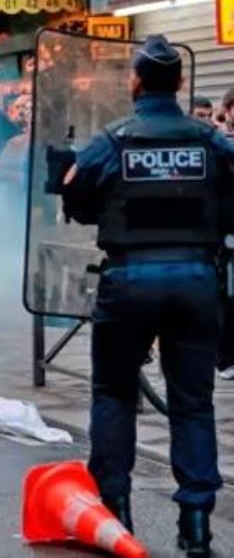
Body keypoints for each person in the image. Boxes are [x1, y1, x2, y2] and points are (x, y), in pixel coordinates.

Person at [60, 35, 230, 555]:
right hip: (198, 280)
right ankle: (197, 524)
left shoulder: (112, 141)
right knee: (193, 402)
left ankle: (115, 511)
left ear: (135, 82)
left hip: (129, 280)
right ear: (180, 83)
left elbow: (75, 197)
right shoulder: (212, 141)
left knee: (113, 394)